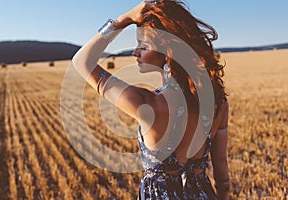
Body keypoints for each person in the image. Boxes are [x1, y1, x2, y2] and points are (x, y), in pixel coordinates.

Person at [72, 0, 230, 199]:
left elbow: (81, 61)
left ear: (167, 52)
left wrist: (124, 19)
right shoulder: (218, 102)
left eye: (143, 46)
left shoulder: (146, 103)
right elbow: (222, 173)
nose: (135, 52)